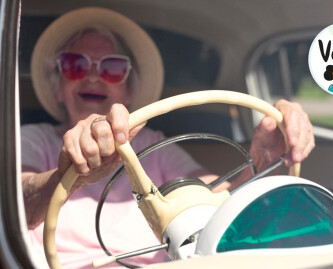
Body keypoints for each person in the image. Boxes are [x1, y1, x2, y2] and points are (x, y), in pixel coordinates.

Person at [21, 7, 315, 269]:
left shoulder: (152, 146)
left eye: (112, 68)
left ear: (129, 91)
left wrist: (264, 162)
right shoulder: (33, 140)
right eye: (76, 65)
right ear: (57, 86)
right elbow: (16, 203)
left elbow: (214, 196)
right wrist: (72, 175)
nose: (94, 77)